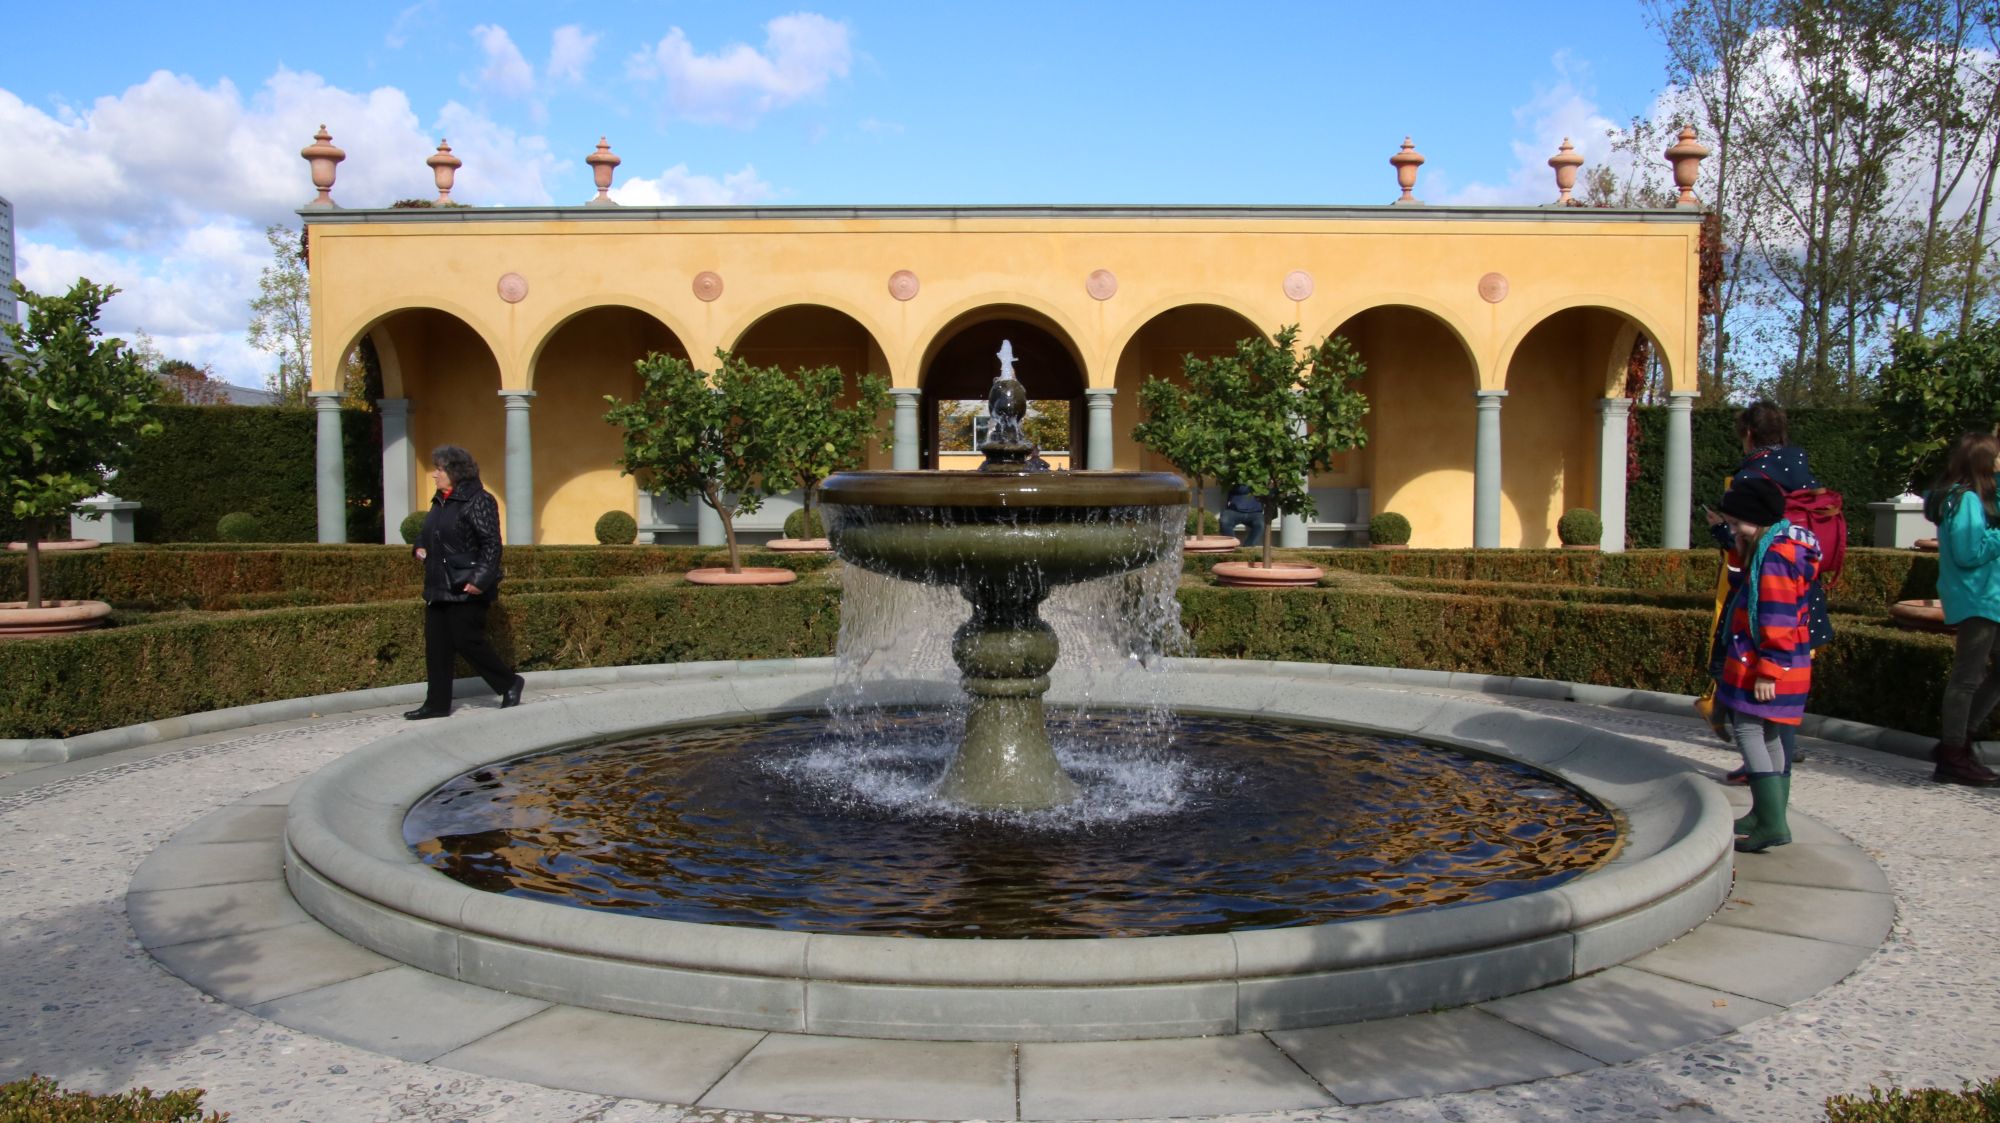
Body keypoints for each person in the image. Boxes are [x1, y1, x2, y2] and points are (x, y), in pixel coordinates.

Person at [1711, 401, 1838, 783]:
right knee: (1782, 696)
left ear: (1748, 433)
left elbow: (1743, 548)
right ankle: (1776, 763)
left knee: (1749, 697)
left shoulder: (1754, 475)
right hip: (1805, 590)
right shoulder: (1800, 465)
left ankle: (1764, 781)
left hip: (1766, 588)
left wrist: (1720, 529)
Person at [1704, 476, 1819, 853]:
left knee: (1749, 730)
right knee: (1767, 733)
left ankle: (1772, 822)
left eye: (1737, 523)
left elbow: (1777, 617)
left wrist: (1770, 669)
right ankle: (1766, 813)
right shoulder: (1776, 545)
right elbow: (1748, 588)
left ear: (1757, 517)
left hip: (1770, 664)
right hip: (1785, 662)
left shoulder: (1774, 559)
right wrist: (1738, 548)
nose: (1733, 529)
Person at [405, 445, 524, 720]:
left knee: (467, 641)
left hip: (465, 585)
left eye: (439, 469)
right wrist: (419, 547)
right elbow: (429, 534)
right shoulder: (440, 501)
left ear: (455, 472)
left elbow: (491, 543)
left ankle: (508, 683)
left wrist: (480, 580)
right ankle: (435, 704)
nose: (434, 474)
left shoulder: (478, 499)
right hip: (438, 585)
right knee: (436, 646)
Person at [1923, 431, 2000, 787]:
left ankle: (1959, 742)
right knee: (1966, 677)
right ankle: (1954, 752)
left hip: (1985, 596)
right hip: (1977, 597)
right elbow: (1970, 553)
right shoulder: (1965, 500)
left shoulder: (1971, 496)